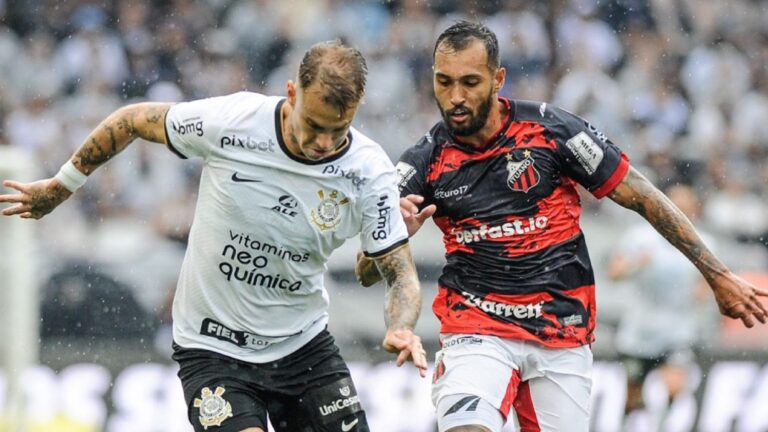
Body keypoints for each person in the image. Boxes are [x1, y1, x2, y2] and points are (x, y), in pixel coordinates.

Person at [356, 21, 768, 432]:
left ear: (498, 79)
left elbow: (643, 196)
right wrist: (395, 233)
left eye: (470, 82)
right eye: (444, 83)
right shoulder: (423, 161)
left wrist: (718, 275)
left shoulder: (552, 132)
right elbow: (365, 270)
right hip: (476, 326)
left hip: (561, 328)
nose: (456, 97)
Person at [0, 40, 427, 432]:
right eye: (313, 124)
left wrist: (403, 326)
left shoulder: (368, 169)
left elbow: (394, 273)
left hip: (303, 346)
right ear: (292, 93)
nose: (322, 142)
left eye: (338, 130)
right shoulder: (234, 121)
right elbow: (131, 119)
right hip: (213, 347)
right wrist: (62, 185)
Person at [607, 184, 713, 430]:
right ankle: (627, 421)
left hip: (678, 330)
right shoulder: (640, 237)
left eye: (685, 206)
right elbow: (614, 273)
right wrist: (637, 264)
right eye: (674, 204)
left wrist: (703, 293)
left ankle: (662, 425)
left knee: (675, 384)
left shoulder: (703, 243)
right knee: (633, 394)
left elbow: (707, 285)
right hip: (640, 329)